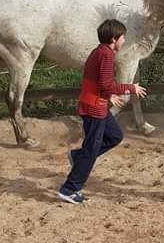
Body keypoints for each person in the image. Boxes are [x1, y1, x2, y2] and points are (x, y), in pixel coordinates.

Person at [58, 19, 147, 203]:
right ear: (114, 39)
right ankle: (69, 189)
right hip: (94, 108)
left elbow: (97, 81)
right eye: (123, 37)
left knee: (115, 136)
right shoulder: (106, 55)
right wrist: (130, 88)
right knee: (90, 151)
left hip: (96, 105)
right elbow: (106, 84)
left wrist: (109, 95)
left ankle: (77, 156)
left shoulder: (99, 51)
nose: (124, 40)